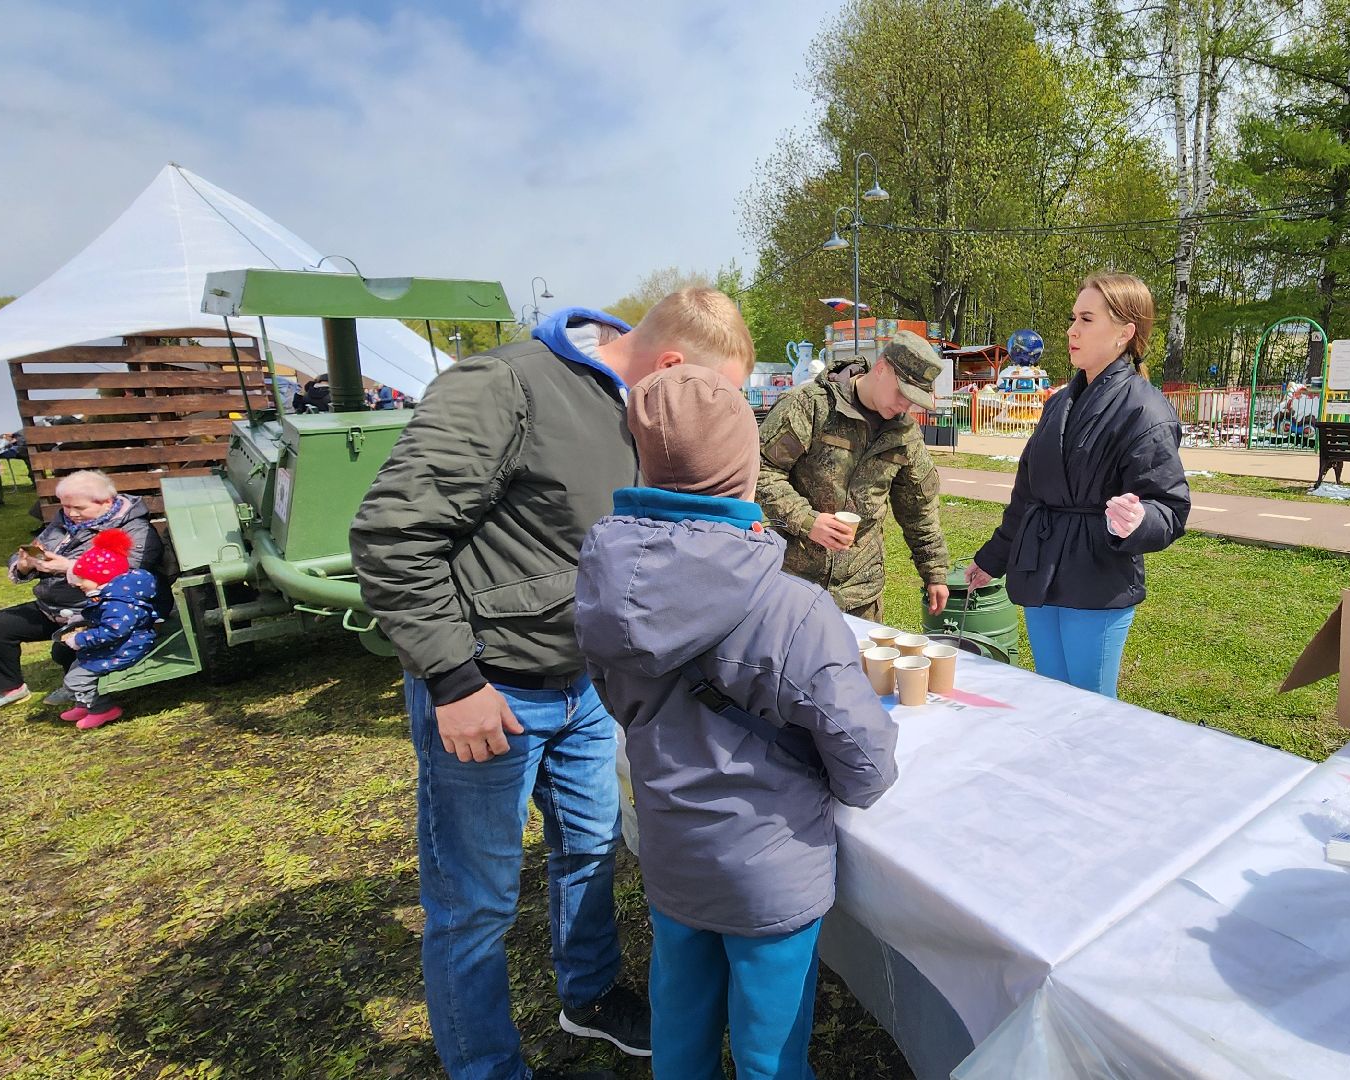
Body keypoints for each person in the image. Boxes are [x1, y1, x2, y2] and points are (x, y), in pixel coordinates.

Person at [351, 288, 756, 1080]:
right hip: (493, 692)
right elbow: (393, 535)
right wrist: (454, 679)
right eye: (715, 395)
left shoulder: (646, 405)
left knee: (591, 849)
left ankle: (591, 994)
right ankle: (485, 1066)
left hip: (588, 688)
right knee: (476, 903)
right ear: (671, 365)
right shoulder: (502, 387)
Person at [573, 367, 899, 1080]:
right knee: (769, 1056)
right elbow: (866, 764)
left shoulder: (601, 586)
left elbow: (615, 699)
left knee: (680, 1030)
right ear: (749, 471)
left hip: (673, 854)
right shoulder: (795, 610)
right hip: (771, 875)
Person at [965, 274, 1190, 698]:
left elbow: (1170, 507)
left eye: (1086, 319)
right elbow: (1028, 496)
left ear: (1125, 333)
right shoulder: (1057, 403)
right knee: (1051, 698)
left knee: (1091, 710)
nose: (1071, 330)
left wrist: (1140, 521)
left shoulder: (1144, 408)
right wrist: (992, 559)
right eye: (1073, 317)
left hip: (1096, 577)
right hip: (1041, 571)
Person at [756, 330, 950, 622]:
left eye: (913, 402)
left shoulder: (904, 434)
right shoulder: (812, 406)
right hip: (793, 585)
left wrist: (934, 572)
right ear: (882, 369)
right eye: (902, 394)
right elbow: (761, 470)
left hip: (861, 595)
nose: (903, 407)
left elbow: (919, 510)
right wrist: (808, 521)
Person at [0, 470, 166, 715]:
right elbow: (37, 548)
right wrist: (25, 564)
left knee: (64, 646)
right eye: (65, 506)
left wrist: (68, 568)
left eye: (78, 508)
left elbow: (132, 571)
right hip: (52, 605)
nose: (71, 513)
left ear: (106, 501)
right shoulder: (65, 521)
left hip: (99, 608)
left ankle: (80, 689)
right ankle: (9, 688)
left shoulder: (134, 529)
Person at [54, 528, 161, 730]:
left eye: (82, 579)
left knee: (75, 679)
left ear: (100, 577)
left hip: (126, 647)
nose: (78, 584)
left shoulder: (117, 602)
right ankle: (83, 704)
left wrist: (81, 640)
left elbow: (114, 630)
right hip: (122, 643)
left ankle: (101, 709)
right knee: (77, 664)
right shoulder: (112, 594)